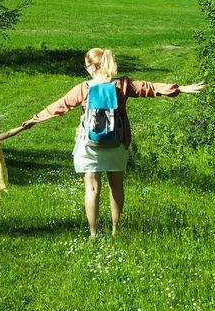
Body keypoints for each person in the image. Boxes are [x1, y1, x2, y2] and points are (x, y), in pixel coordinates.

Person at [20, 47, 204, 238]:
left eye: (86, 66)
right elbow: (149, 87)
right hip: (117, 143)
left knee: (92, 189)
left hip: (89, 145)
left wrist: (35, 119)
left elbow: (60, 105)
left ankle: (94, 234)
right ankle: (116, 230)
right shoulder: (122, 85)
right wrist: (178, 88)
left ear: (92, 66)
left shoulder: (84, 88)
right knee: (116, 186)